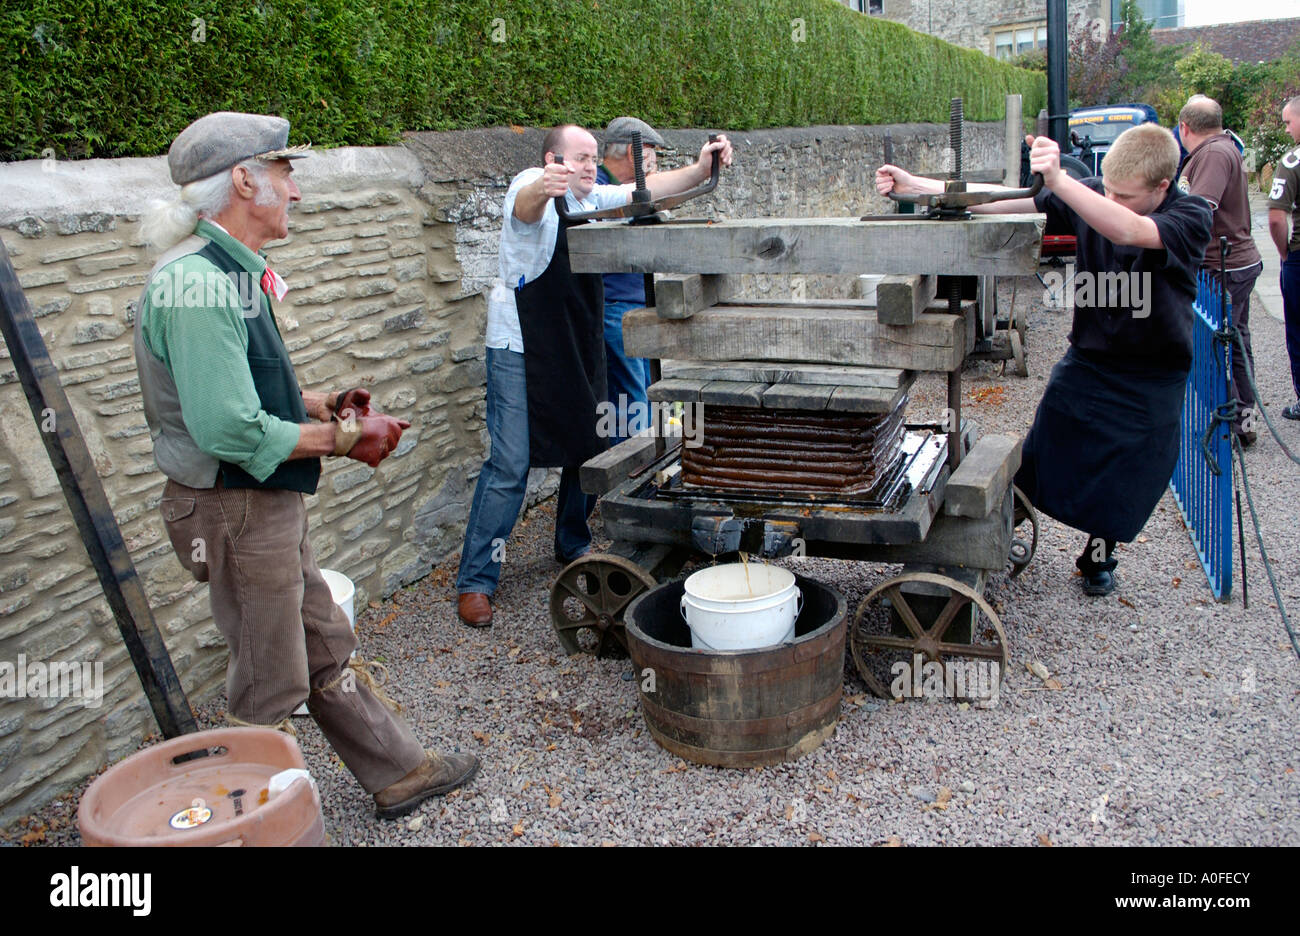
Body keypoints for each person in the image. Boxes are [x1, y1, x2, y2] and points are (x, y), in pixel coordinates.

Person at [135, 112, 478, 819]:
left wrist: (321, 405)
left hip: (259, 501)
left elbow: (239, 391)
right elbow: (228, 426)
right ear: (242, 180)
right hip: (234, 505)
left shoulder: (222, 270)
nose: (295, 189)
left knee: (323, 641)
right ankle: (251, 827)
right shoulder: (197, 287)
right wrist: (348, 438)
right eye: (285, 171)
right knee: (269, 679)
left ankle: (398, 771)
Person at [877, 124, 1212, 597]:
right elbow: (1003, 198)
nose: (1112, 202)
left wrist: (1062, 184)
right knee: (1038, 458)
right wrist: (920, 186)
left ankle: (1097, 555)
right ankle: (989, 534)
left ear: (1163, 186)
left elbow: (1130, 230)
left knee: (1126, 482)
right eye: (1108, 191)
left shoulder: (1190, 214)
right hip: (1091, 361)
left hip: (1152, 375)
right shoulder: (1091, 193)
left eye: (1126, 195)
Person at [456, 124, 733, 627]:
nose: (586, 166)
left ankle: (572, 543)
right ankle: (476, 580)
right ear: (550, 160)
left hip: (571, 344)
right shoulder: (532, 188)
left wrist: (702, 167)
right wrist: (546, 184)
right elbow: (526, 203)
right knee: (511, 465)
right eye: (576, 158)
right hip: (520, 348)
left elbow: (642, 192)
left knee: (590, 444)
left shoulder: (590, 198)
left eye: (590, 159)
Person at [1177, 95, 1263, 445]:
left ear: (1184, 127)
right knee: (1236, 342)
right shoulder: (1223, 146)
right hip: (1236, 261)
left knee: (1209, 346)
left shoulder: (1212, 154)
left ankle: (1230, 421)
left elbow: (1200, 210)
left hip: (1222, 267)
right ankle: (1241, 420)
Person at [596, 117, 664, 443]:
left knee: (638, 403)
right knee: (630, 407)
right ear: (633, 153)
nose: (654, 161)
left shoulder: (630, 191)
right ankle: (630, 481)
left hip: (634, 308)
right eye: (649, 152)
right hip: (614, 310)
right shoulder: (599, 186)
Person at [1267, 95, 1300, 420]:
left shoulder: (1292, 163)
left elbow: (1277, 217)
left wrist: (1284, 252)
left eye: (1288, 122)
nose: (1287, 129)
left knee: (1299, 330)